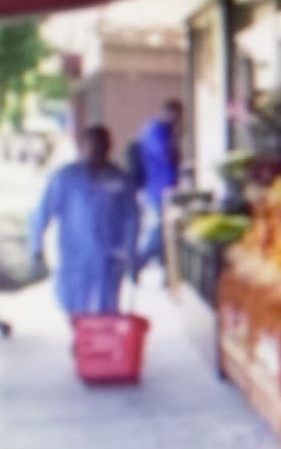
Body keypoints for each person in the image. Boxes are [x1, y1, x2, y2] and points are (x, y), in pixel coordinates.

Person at [29, 125, 139, 316]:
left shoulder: (119, 179)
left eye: (102, 147)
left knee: (108, 312)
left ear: (109, 148)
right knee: (74, 308)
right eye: (92, 146)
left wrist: (131, 254)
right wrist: (36, 246)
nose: (97, 152)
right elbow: (42, 212)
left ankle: (102, 343)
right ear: (83, 147)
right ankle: (82, 341)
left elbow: (132, 218)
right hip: (75, 257)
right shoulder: (65, 178)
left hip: (110, 256)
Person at [131, 98, 182, 282]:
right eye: (176, 115)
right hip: (157, 188)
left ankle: (166, 272)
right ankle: (138, 262)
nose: (178, 120)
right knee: (160, 231)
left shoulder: (164, 131)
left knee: (163, 230)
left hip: (164, 186)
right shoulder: (157, 131)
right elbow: (165, 157)